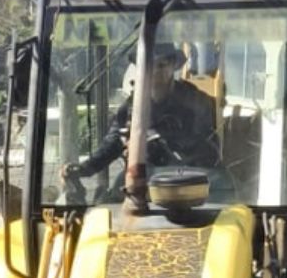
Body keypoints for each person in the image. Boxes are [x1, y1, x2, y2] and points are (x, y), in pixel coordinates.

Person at [61, 42, 219, 188]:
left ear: (173, 66)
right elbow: (112, 143)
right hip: (142, 177)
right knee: (108, 201)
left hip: (189, 180)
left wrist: (164, 145)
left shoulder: (195, 101)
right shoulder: (131, 107)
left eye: (162, 65)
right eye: (149, 65)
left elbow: (211, 151)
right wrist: (84, 168)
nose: (155, 71)